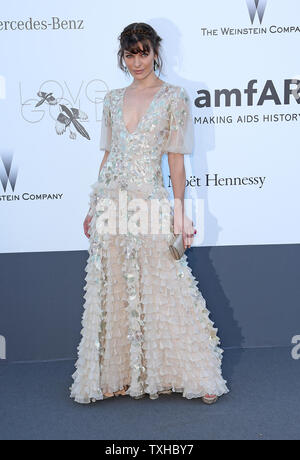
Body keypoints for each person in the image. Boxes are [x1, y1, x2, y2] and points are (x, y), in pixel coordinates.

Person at [70, 22, 230, 405]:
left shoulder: (174, 97)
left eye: (143, 52)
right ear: (121, 56)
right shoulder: (110, 98)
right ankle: (117, 375)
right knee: (112, 286)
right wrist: (93, 206)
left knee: (167, 285)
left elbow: (176, 162)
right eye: (130, 53)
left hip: (149, 200)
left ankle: (196, 373)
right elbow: (109, 157)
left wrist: (179, 212)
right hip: (111, 200)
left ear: (156, 52)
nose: (137, 61)